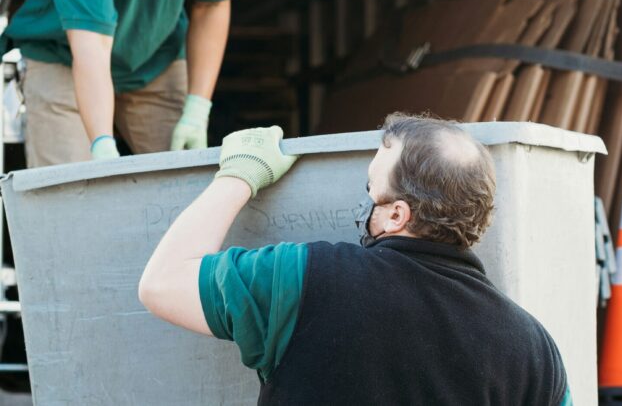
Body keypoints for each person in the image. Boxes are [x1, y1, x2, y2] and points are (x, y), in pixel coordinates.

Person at [139, 113, 573, 405]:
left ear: (396, 215)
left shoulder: (303, 279)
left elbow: (161, 284)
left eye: (370, 190)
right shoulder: (534, 349)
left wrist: (238, 176)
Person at [2, 0, 242, 167]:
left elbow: (211, 4)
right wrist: (103, 144)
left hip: (155, 56)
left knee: (186, 182)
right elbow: (93, 47)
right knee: (70, 191)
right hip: (64, 57)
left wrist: (197, 110)